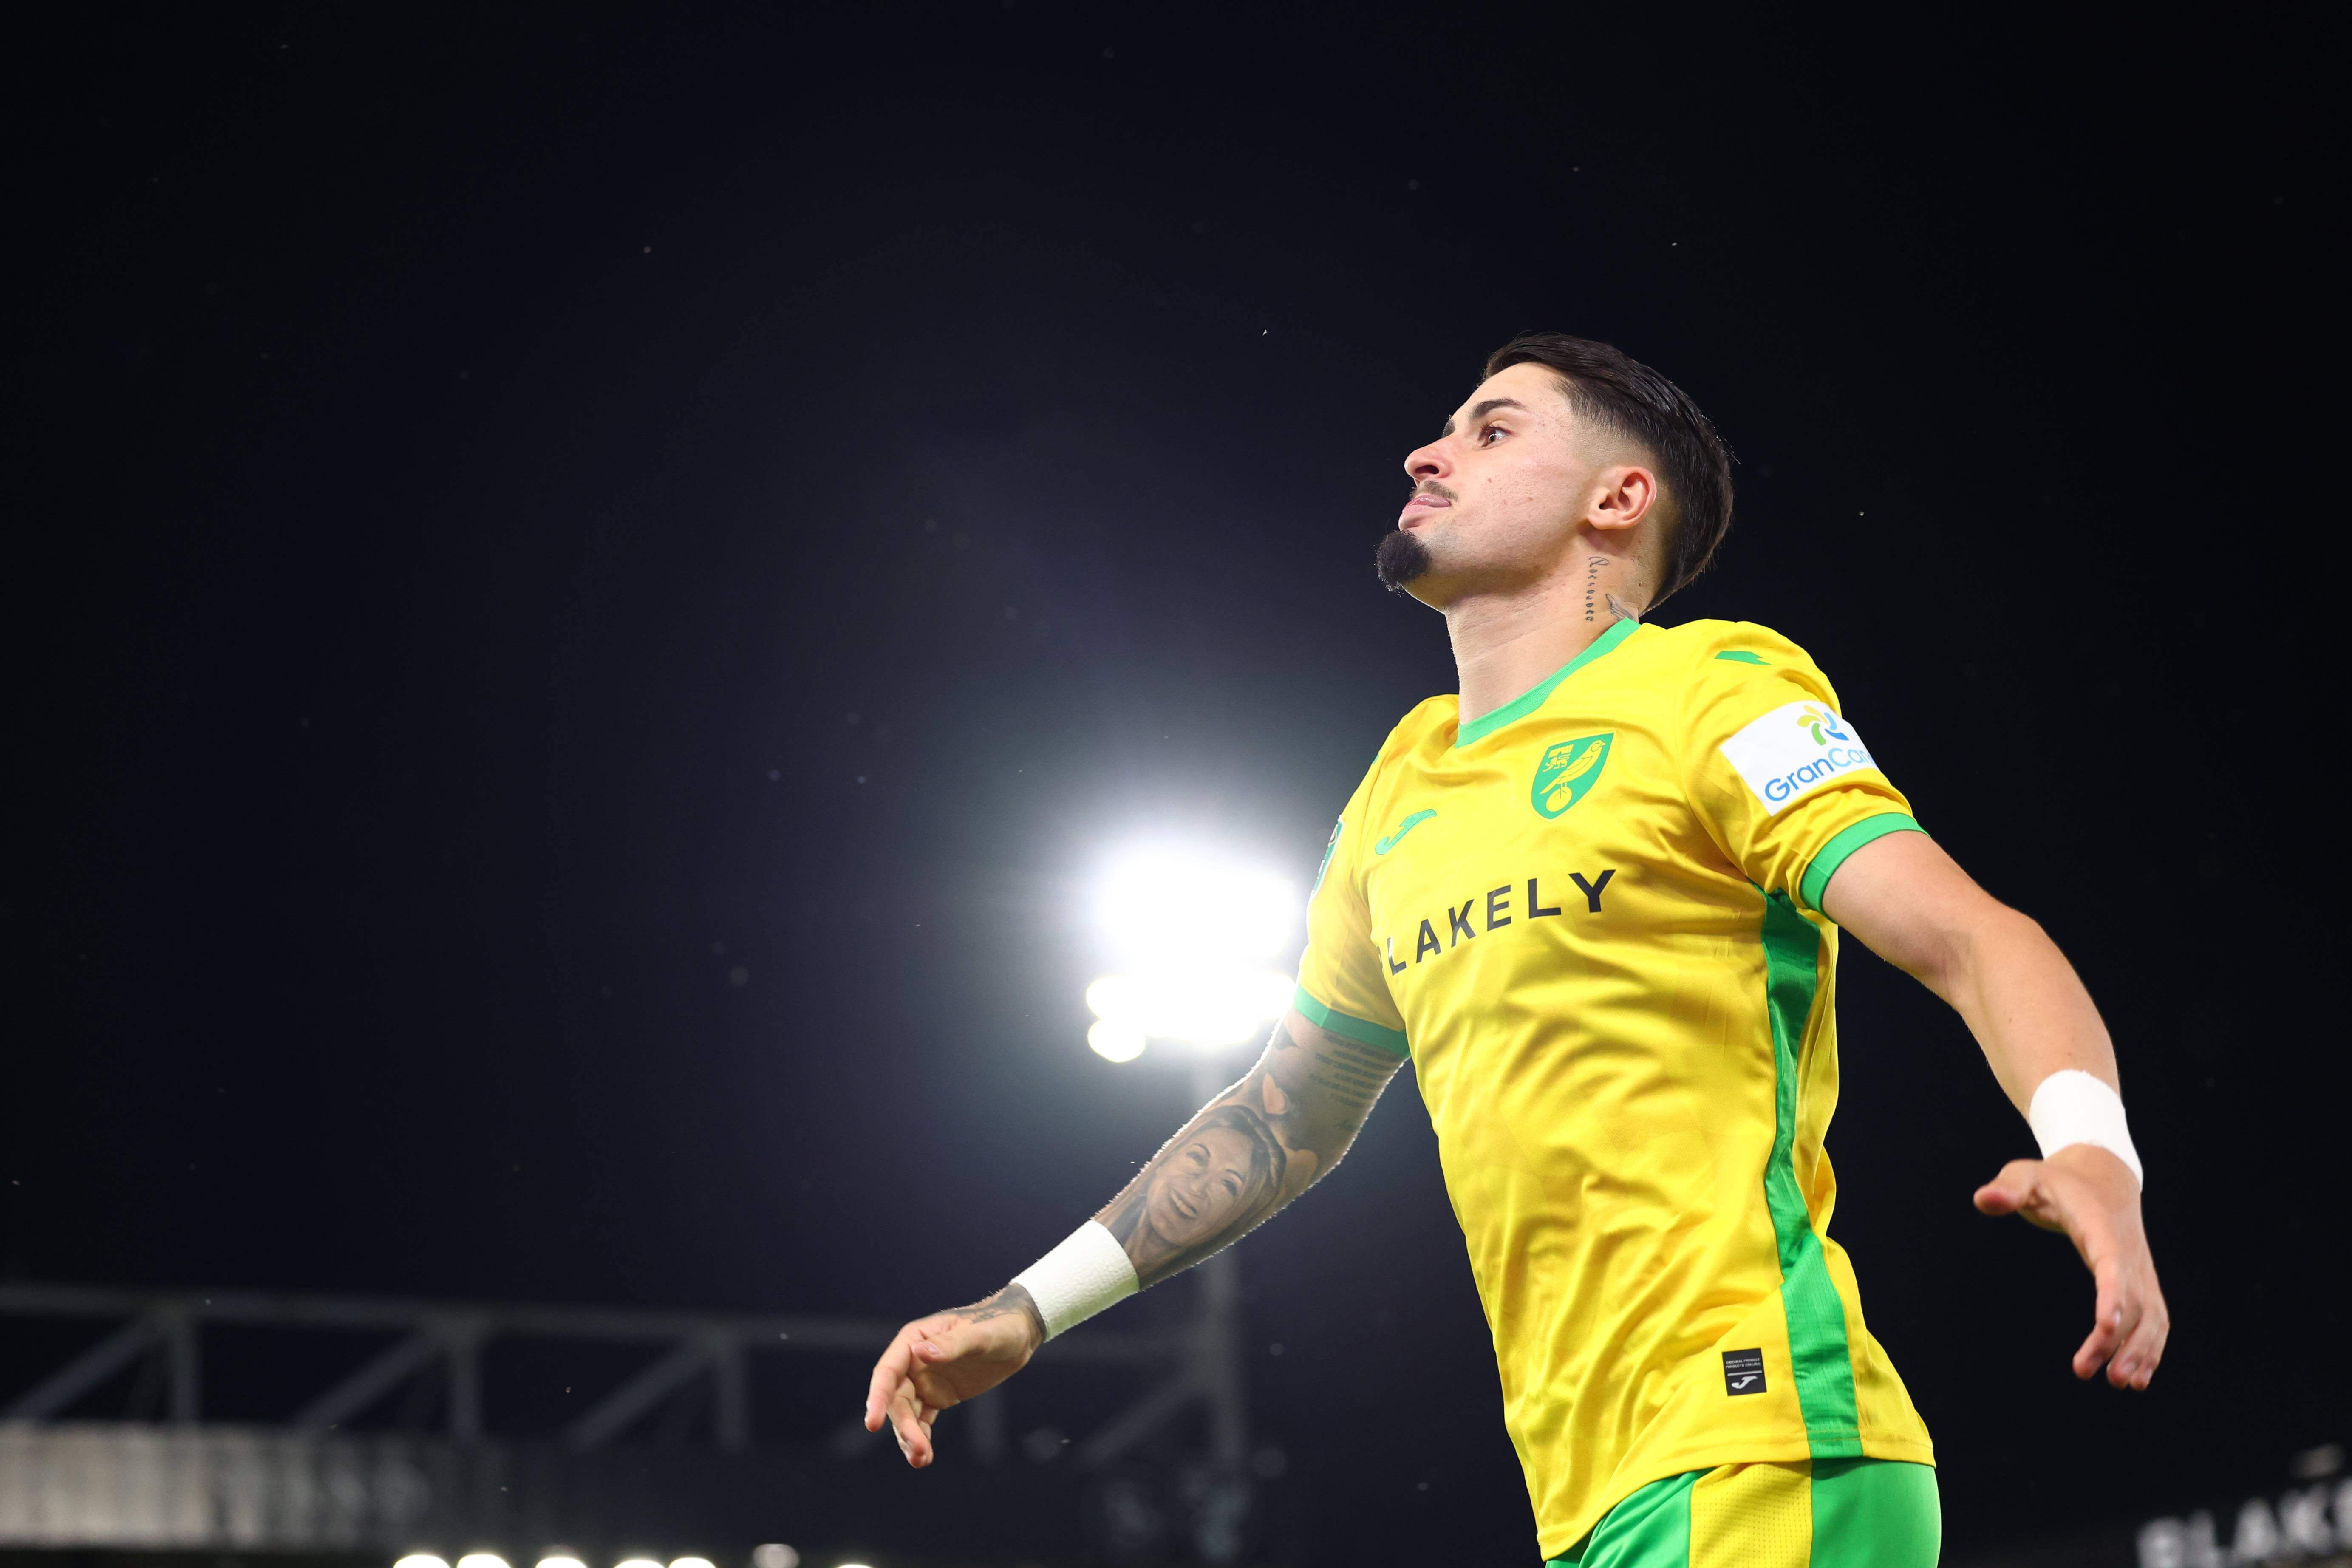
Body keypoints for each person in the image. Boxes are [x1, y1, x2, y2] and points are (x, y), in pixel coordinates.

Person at [862, 334, 2168, 1566]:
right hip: (1585, 1489)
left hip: (1761, 1437)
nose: (1431, 456)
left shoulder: (1711, 692)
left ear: (1618, 497)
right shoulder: (1399, 789)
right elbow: (1284, 1113)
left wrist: (2095, 1155)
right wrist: (1027, 1307)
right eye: (1440, 431)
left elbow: (1974, 936)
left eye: (1490, 431)